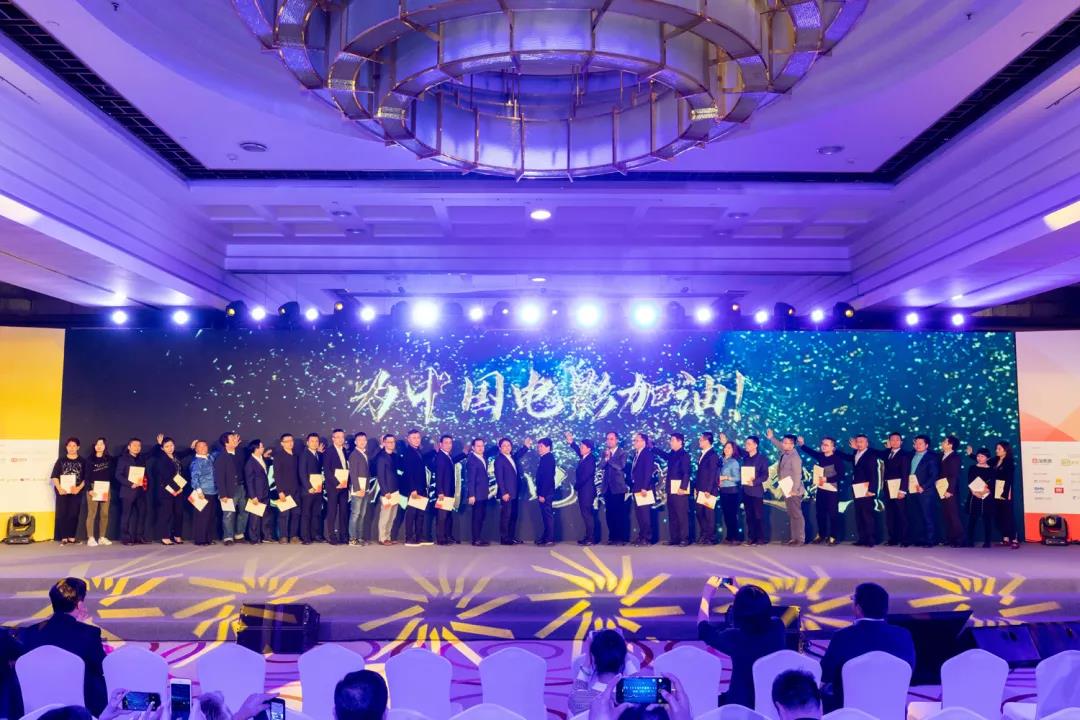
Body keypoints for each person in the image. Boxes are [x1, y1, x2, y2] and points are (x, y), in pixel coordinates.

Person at [819, 582, 916, 712]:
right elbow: (909, 670)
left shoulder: (842, 637)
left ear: (858, 608)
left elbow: (825, 675)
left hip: (849, 714)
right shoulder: (903, 635)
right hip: (892, 713)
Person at [19, 578, 107, 716]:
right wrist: (80, 626)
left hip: (37, 710)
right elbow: (102, 667)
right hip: (78, 710)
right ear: (79, 605)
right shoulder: (89, 633)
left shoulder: (29, 633)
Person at [699, 582, 786, 707]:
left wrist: (706, 595)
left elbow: (703, 629)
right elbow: (757, 613)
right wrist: (742, 595)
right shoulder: (778, 627)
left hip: (741, 706)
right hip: (772, 702)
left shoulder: (734, 638)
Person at [796, 436, 844, 545]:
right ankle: (821, 535)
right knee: (820, 513)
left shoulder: (836, 459)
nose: (823, 446)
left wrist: (827, 479)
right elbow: (811, 452)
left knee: (832, 514)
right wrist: (802, 444)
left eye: (826, 445)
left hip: (832, 490)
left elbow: (841, 475)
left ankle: (833, 536)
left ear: (833, 447)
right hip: (821, 489)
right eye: (822, 444)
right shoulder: (821, 456)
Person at [567, 629, 628, 714]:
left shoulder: (578, 700)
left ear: (593, 658)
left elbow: (576, 690)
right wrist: (623, 651)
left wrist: (588, 659)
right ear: (623, 659)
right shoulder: (636, 699)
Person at [837, 435, 878, 547]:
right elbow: (849, 458)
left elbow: (874, 474)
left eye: (861, 442)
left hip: (866, 488)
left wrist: (872, 489)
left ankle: (870, 539)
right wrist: (835, 451)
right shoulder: (856, 453)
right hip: (857, 488)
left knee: (867, 514)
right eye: (857, 442)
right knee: (859, 513)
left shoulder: (870, 455)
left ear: (867, 443)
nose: (859, 444)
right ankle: (862, 539)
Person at [767, 430, 805, 545]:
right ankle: (794, 538)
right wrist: (771, 438)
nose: (783, 444)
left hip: (794, 490)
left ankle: (800, 539)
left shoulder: (795, 457)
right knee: (792, 514)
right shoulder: (785, 452)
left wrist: (794, 490)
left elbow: (798, 474)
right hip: (786, 487)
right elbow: (778, 445)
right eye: (783, 442)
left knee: (796, 515)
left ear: (792, 445)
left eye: (786, 443)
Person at [874, 432, 910, 547]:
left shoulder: (904, 455)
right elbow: (875, 453)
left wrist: (903, 490)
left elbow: (905, 473)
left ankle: (905, 540)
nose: (894, 442)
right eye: (892, 440)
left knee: (902, 514)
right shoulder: (887, 453)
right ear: (889, 442)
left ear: (901, 442)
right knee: (890, 514)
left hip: (899, 488)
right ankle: (893, 539)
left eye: (897, 440)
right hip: (888, 488)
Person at [654, 433, 691, 546]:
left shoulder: (684, 455)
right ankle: (675, 538)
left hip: (680, 489)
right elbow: (665, 456)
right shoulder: (672, 454)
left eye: (672, 440)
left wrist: (683, 487)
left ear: (680, 442)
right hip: (671, 488)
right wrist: (654, 448)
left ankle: (685, 538)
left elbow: (686, 473)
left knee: (681, 515)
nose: (670, 442)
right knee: (673, 514)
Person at [494, 437, 531, 545]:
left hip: (515, 492)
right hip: (506, 494)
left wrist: (526, 447)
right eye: (504, 446)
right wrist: (503, 492)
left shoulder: (512, 457)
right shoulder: (499, 460)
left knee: (513, 515)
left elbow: (518, 454)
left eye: (508, 445)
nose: (507, 447)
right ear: (500, 448)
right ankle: (504, 538)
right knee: (506, 516)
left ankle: (511, 536)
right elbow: (499, 478)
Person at [149, 437, 185, 545]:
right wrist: (176, 488)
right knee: (166, 514)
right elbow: (166, 477)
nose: (170, 448)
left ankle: (177, 535)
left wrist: (192, 448)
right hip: (166, 490)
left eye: (171, 445)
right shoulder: (161, 459)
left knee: (179, 513)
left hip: (179, 489)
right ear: (162, 448)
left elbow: (184, 454)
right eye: (167, 446)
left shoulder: (176, 456)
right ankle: (165, 536)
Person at [50, 437, 86, 545]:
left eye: (74, 446)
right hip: (63, 492)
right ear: (66, 447)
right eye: (69, 445)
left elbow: (86, 478)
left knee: (74, 514)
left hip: (76, 492)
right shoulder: (61, 460)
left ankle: (72, 537)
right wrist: (59, 488)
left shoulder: (83, 461)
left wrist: (78, 488)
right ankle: (64, 537)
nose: (71, 448)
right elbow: (54, 476)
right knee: (62, 513)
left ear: (78, 447)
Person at [908, 435, 940, 547]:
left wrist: (923, 487)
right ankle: (920, 539)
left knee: (928, 516)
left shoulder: (931, 457)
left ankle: (930, 540)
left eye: (920, 443)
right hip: (912, 490)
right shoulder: (911, 455)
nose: (917, 445)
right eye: (916, 443)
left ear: (926, 445)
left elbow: (934, 475)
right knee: (917, 516)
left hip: (926, 492)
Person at [115, 438, 148, 545]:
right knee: (126, 515)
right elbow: (118, 475)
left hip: (140, 491)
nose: (137, 447)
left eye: (139, 446)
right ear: (129, 447)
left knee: (142, 514)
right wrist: (130, 483)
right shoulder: (123, 459)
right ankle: (126, 538)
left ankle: (139, 536)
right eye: (134, 445)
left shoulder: (141, 459)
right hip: (127, 491)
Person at [599, 432, 630, 545]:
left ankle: (620, 538)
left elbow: (620, 466)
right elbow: (601, 466)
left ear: (616, 440)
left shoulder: (622, 453)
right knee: (609, 513)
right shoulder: (605, 453)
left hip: (618, 487)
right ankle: (612, 537)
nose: (609, 441)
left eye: (611, 439)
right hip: (607, 488)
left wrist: (610, 459)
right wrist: (606, 458)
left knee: (619, 513)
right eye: (607, 439)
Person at [400, 429, 429, 548]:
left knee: (420, 513)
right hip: (413, 488)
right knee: (411, 513)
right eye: (414, 438)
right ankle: (409, 537)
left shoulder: (419, 451)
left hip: (421, 487)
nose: (416, 440)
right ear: (408, 439)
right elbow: (408, 473)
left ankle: (419, 536)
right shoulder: (408, 453)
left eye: (418, 437)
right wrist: (412, 489)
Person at [214, 431, 244, 546]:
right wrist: (223, 494)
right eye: (232, 439)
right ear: (226, 443)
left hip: (242, 487)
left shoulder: (239, 453)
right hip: (229, 489)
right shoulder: (221, 457)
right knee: (228, 514)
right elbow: (219, 477)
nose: (235, 440)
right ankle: (228, 537)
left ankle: (239, 534)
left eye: (235, 438)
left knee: (244, 512)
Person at [567, 435, 598, 545]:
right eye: (580, 446)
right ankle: (588, 536)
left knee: (587, 514)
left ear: (589, 449)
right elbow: (578, 451)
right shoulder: (585, 457)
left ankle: (591, 538)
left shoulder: (590, 459)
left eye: (582, 446)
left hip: (587, 491)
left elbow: (586, 476)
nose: (580, 448)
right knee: (585, 514)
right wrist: (572, 443)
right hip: (584, 491)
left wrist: (576, 486)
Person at [323, 429, 351, 545]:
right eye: (338, 437)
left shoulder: (344, 450)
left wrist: (346, 483)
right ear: (333, 439)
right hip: (333, 487)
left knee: (344, 512)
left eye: (342, 437)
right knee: (332, 511)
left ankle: (343, 536)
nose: (340, 439)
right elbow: (327, 470)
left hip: (344, 486)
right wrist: (336, 482)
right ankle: (331, 536)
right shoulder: (329, 451)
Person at [189, 440, 218, 546]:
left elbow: (218, 452)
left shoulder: (210, 458)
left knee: (210, 517)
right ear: (196, 449)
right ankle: (200, 539)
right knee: (202, 517)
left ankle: (208, 538)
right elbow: (194, 477)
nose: (203, 448)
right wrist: (198, 490)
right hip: (202, 492)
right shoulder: (196, 462)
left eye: (204, 446)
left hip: (213, 491)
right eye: (200, 447)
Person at [741, 435, 769, 545]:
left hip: (756, 491)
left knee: (758, 516)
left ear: (755, 445)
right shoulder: (745, 458)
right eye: (746, 443)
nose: (746, 445)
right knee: (749, 516)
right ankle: (751, 538)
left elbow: (765, 475)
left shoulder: (762, 459)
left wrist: (755, 481)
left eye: (749, 444)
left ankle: (760, 538)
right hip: (746, 491)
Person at [84, 438, 112, 547]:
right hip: (93, 487)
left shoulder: (109, 459)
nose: (99, 446)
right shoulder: (89, 459)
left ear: (105, 446)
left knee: (104, 513)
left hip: (105, 488)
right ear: (94, 446)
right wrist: (89, 489)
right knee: (92, 513)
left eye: (101, 444)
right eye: (97, 444)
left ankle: (102, 537)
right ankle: (90, 537)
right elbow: (86, 476)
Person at [274, 433, 302, 544]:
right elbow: (277, 475)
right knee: (284, 515)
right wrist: (280, 491)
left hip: (296, 490)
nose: (290, 443)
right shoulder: (279, 456)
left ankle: (293, 536)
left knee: (296, 513)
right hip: (284, 490)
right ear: (282, 443)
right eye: (287, 441)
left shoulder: (296, 455)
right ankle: (283, 536)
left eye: (291, 441)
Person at [692, 433, 719, 546]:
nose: (699, 442)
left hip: (709, 490)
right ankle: (704, 534)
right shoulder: (702, 454)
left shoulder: (713, 455)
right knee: (699, 512)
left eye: (701, 440)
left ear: (707, 441)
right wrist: (696, 487)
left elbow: (713, 473)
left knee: (709, 514)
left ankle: (711, 537)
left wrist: (709, 489)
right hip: (701, 489)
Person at [244, 439, 272, 544]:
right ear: (256, 449)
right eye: (261, 446)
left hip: (265, 491)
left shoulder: (261, 458)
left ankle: (266, 536)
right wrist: (253, 496)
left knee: (266, 515)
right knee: (254, 517)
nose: (263, 448)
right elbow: (249, 480)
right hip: (256, 493)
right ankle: (253, 538)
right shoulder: (250, 462)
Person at [964, 447, 994, 548]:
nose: (979, 458)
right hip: (974, 496)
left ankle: (987, 541)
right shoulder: (972, 468)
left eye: (982, 456)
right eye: (978, 456)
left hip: (987, 497)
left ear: (987, 458)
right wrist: (974, 492)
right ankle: (969, 540)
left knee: (987, 519)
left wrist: (986, 491)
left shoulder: (991, 469)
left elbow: (992, 483)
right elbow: (969, 481)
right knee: (972, 519)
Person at [298, 432, 324, 545]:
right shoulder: (304, 454)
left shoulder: (318, 455)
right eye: (312, 441)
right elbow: (302, 472)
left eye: (316, 441)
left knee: (316, 513)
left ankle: (315, 535)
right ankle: (305, 537)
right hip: (308, 490)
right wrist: (308, 487)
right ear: (307, 442)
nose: (314, 443)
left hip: (317, 489)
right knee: (306, 514)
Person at [993, 441, 1019, 549]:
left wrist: (1005, 492)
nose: (997, 450)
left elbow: (1009, 479)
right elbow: (983, 460)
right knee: (1000, 515)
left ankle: (1014, 539)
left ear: (1005, 450)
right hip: (996, 489)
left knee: (1008, 515)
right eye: (996, 448)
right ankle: (1005, 538)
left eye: (999, 449)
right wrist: (971, 454)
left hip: (1005, 490)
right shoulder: (995, 460)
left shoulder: (1009, 462)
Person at [348, 432, 372, 546]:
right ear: (355, 442)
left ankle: (359, 537)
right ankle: (352, 538)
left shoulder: (365, 453)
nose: (362, 442)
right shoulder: (354, 455)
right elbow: (353, 473)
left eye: (364, 440)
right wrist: (358, 488)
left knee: (362, 515)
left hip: (365, 488)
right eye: (359, 440)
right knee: (355, 514)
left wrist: (366, 488)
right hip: (358, 489)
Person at [939, 435, 964, 547]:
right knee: (946, 515)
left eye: (944, 442)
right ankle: (950, 538)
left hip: (950, 490)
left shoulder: (955, 457)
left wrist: (950, 490)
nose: (942, 443)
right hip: (941, 488)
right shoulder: (941, 455)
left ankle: (960, 540)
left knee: (953, 515)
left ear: (950, 445)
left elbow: (954, 475)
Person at [375, 434, 400, 546]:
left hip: (396, 490)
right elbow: (380, 476)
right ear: (384, 443)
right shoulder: (381, 457)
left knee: (392, 516)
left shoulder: (395, 456)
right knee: (385, 516)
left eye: (393, 442)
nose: (391, 444)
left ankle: (388, 537)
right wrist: (385, 491)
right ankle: (382, 538)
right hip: (387, 492)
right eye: (389, 442)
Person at [465, 438, 490, 546]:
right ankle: (476, 539)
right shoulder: (472, 460)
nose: (480, 448)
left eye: (482, 446)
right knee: (477, 517)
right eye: (478, 446)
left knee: (481, 516)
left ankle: (479, 537)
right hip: (476, 494)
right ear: (473, 448)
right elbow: (471, 479)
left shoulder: (483, 457)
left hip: (483, 493)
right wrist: (471, 495)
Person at [717, 439, 742, 544]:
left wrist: (726, 477)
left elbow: (738, 478)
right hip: (722, 490)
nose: (726, 449)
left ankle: (735, 537)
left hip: (732, 491)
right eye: (725, 447)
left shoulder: (734, 462)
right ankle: (729, 537)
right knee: (726, 515)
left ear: (733, 450)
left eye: (729, 448)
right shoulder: (721, 460)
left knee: (732, 515)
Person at [535, 438, 557, 546]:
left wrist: (542, 494)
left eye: (541, 446)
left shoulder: (548, 458)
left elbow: (548, 478)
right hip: (544, 492)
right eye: (538, 446)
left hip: (546, 493)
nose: (539, 448)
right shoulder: (545, 458)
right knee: (545, 516)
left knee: (547, 516)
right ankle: (546, 537)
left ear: (548, 447)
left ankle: (549, 538)